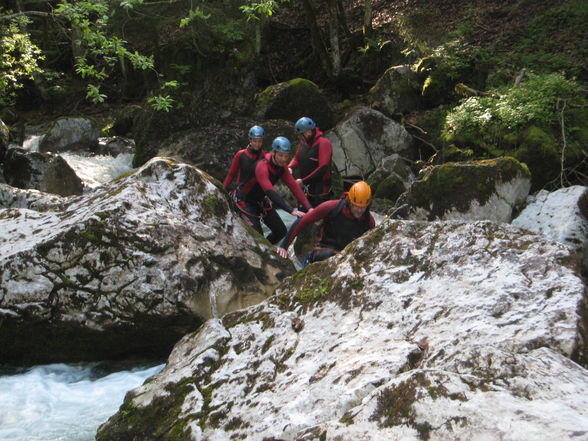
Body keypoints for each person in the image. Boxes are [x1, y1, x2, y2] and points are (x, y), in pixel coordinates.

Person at [232, 136, 312, 244]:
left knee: (281, 231)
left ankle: (267, 252)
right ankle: (262, 250)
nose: (283, 159)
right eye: (280, 155)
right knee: (258, 238)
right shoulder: (262, 166)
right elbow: (269, 191)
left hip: (259, 200)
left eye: (286, 156)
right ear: (274, 152)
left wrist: (309, 208)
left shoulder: (282, 168)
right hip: (244, 200)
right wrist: (291, 210)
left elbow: (294, 187)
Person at [276, 181, 375, 265]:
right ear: (349, 201)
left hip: (346, 257)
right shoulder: (332, 207)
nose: (359, 210)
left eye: (363, 207)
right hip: (323, 251)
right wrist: (284, 246)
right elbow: (302, 222)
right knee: (326, 256)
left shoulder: (369, 222)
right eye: (356, 206)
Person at [288, 116, 333, 207]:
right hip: (307, 191)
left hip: (321, 193)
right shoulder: (303, 144)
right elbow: (296, 158)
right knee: (303, 217)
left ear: (309, 132)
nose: (299, 137)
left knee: (320, 219)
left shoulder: (324, 143)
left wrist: (303, 181)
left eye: (301, 134)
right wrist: (290, 167)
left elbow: (323, 168)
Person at [223, 125, 265, 191]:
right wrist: (223, 189)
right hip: (240, 192)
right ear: (250, 140)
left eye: (259, 141)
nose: (257, 144)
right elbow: (231, 174)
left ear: (262, 141)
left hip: (256, 193)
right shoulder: (241, 154)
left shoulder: (264, 156)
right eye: (255, 141)